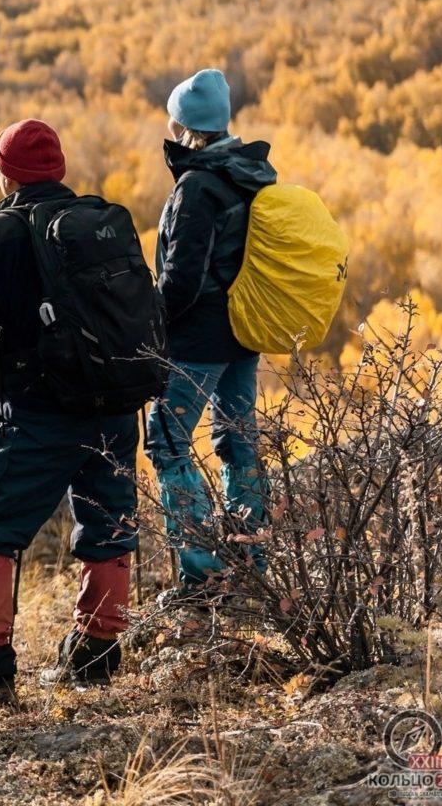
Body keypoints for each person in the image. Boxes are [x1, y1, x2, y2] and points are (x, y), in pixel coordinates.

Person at [0, 120, 141, 706]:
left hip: (41, 410)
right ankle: (97, 653)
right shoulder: (103, 222)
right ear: (60, 168)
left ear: (4, 171)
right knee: (108, 524)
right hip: (118, 405)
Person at [148, 69, 276, 600]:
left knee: (169, 443)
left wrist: (150, 323)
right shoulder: (251, 173)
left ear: (186, 126)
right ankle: (251, 560)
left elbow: (181, 279)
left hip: (199, 340)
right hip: (243, 334)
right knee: (237, 442)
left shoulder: (198, 186)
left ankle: (201, 573)